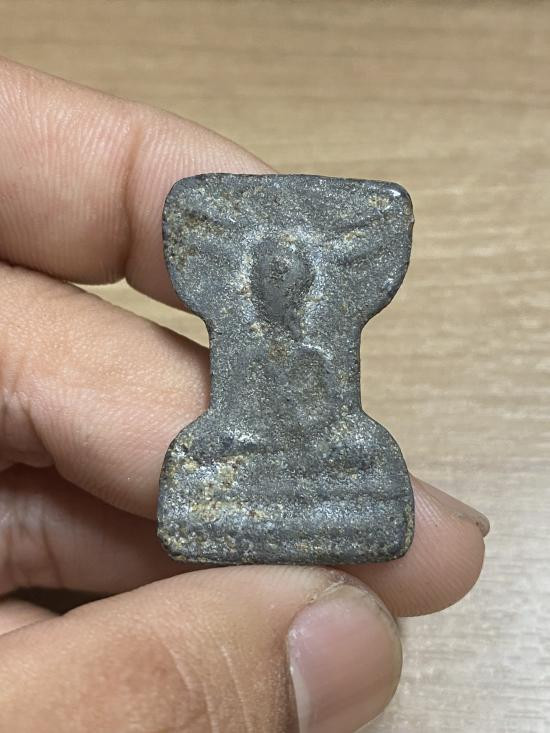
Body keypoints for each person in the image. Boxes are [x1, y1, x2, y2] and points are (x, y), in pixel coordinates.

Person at [0, 57, 489, 733]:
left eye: (291, 279)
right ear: (253, 284)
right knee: (200, 457)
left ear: (307, 286)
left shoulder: (317, 350)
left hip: (316, 448)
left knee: (363, 455)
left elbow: (324, 417)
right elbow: (238, 423)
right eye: (269, 278)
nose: (279, 290)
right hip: (246, 443)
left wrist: (320, 433)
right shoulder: (244, 344)